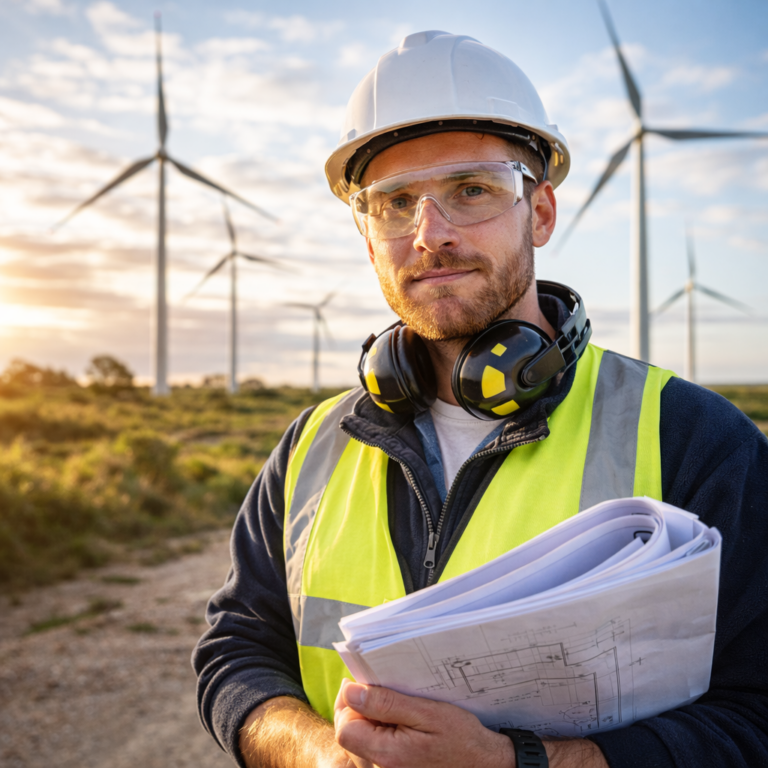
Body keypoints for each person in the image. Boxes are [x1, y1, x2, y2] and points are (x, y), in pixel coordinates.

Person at [193, 31, 768, 768]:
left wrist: (520, 764)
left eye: (472, 189)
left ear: (542, 213)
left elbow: (754, 716)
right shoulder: (311, 446)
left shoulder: (694, 438)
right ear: (369, 240)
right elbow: (236, 649)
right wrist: (319, 758)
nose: (429, 234)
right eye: (395, 203)